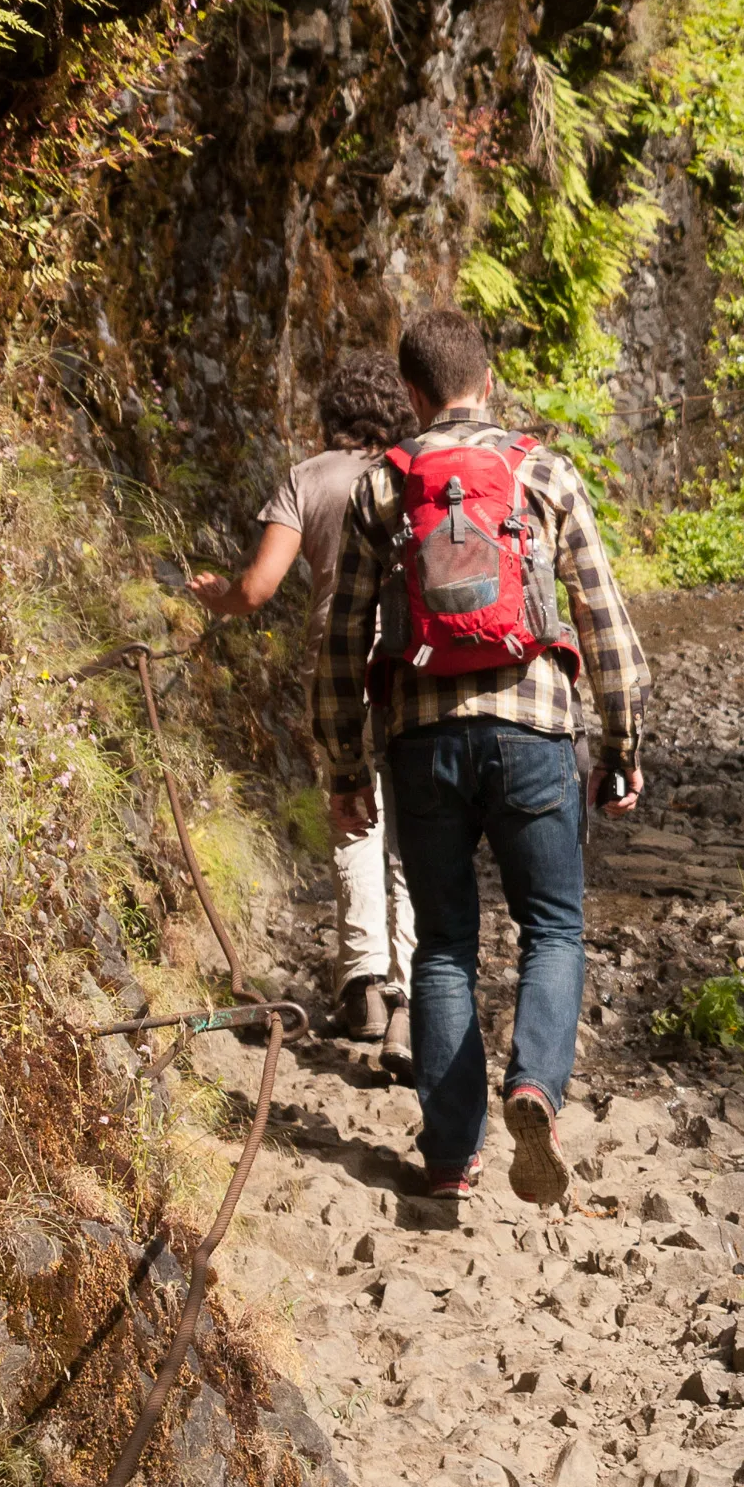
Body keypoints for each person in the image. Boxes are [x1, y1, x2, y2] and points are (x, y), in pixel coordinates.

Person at [311, 308, 649, 1204]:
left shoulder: (382, 488)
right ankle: (533, 1085)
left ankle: (450, 1154)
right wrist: (620, 744)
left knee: (446, 947)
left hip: (422, 745)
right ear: (488, 380)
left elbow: (344, 641)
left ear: (413, 396)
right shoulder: (541, 471)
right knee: (553, 927)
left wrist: (346, 770)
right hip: (535, 731)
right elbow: (604, 625)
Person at [193, 353, 420, 1060]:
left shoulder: (311, 478)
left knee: (352, 814)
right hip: (416, 663)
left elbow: (258, 588)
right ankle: (416, 995)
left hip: (340, 660)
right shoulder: (415, 470)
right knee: (414, 825)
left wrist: (215, 596)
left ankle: (363, 987)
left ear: (332, 416)